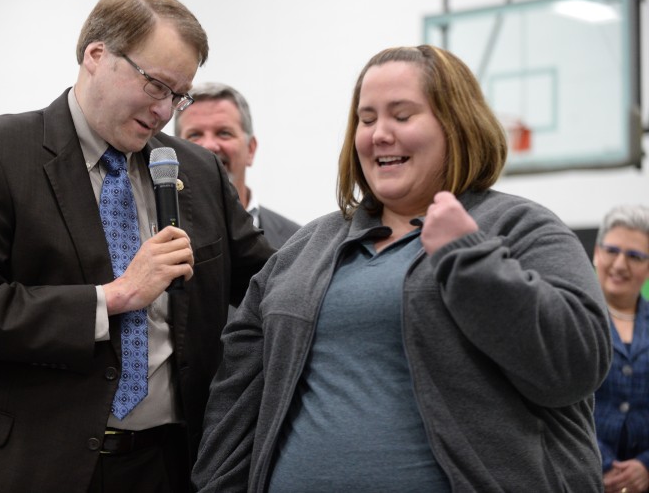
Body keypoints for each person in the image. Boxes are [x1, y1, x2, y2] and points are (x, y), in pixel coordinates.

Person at [192, 45, 612, 492]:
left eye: (402, 115)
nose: (379, 135)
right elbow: (236, 397)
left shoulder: (519, 227)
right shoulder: (305, 249)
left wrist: (468, 257)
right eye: (367, 119)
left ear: (456, 124)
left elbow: (577, 366)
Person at [0, 0, 274, 493]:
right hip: (25, 466)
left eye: (180, 95)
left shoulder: (194, 169)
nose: (165, 110)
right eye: (156, 85)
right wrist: (115, 297)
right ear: (96, 55)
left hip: (165, 466)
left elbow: (268, 278)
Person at [174, 82, 301, 248]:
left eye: (224, 133)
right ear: (175, 150)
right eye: (195, 135)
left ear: (250, 149)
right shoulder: (154, 231)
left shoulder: (298, 241)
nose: (209, 146)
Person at [592, 205, 649, 493]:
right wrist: (601, 465)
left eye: (635, 256)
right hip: (583, 476)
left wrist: (646, 467)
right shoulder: (571, 319)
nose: (620, 264)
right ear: (596, 254)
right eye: (612, 250)